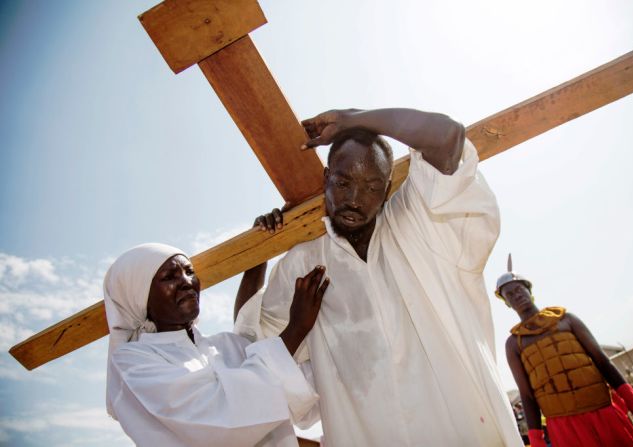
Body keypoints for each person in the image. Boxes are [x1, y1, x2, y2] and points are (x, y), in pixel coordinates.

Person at [235, 108, 522, 445]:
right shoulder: (304, 262)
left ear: (387, 189)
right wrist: (260, 252)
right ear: (326, 178)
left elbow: (448, 138)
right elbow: (250, 339)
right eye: (343, 183)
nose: (354, 200)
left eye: (371, 187)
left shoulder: (419, 222)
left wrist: (355, 118)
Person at [104, 243, 328, 447]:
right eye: (169, 277)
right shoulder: (133, 363)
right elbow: (224, 421)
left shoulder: (227, 345)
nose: (186, 282)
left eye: (189, 271)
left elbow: (307, 391)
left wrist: (262, 246)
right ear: (139, 297)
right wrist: (296, 328)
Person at [497, 256, 633, 447]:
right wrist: (536, 442)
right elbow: (526, 396)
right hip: (564, 427)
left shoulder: (567, 320)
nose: (516, 295)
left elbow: (604, 363)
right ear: (507, 303)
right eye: (509, 294)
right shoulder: (514, 344)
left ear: (529, 289)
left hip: (604, 414)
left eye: (519, 289)